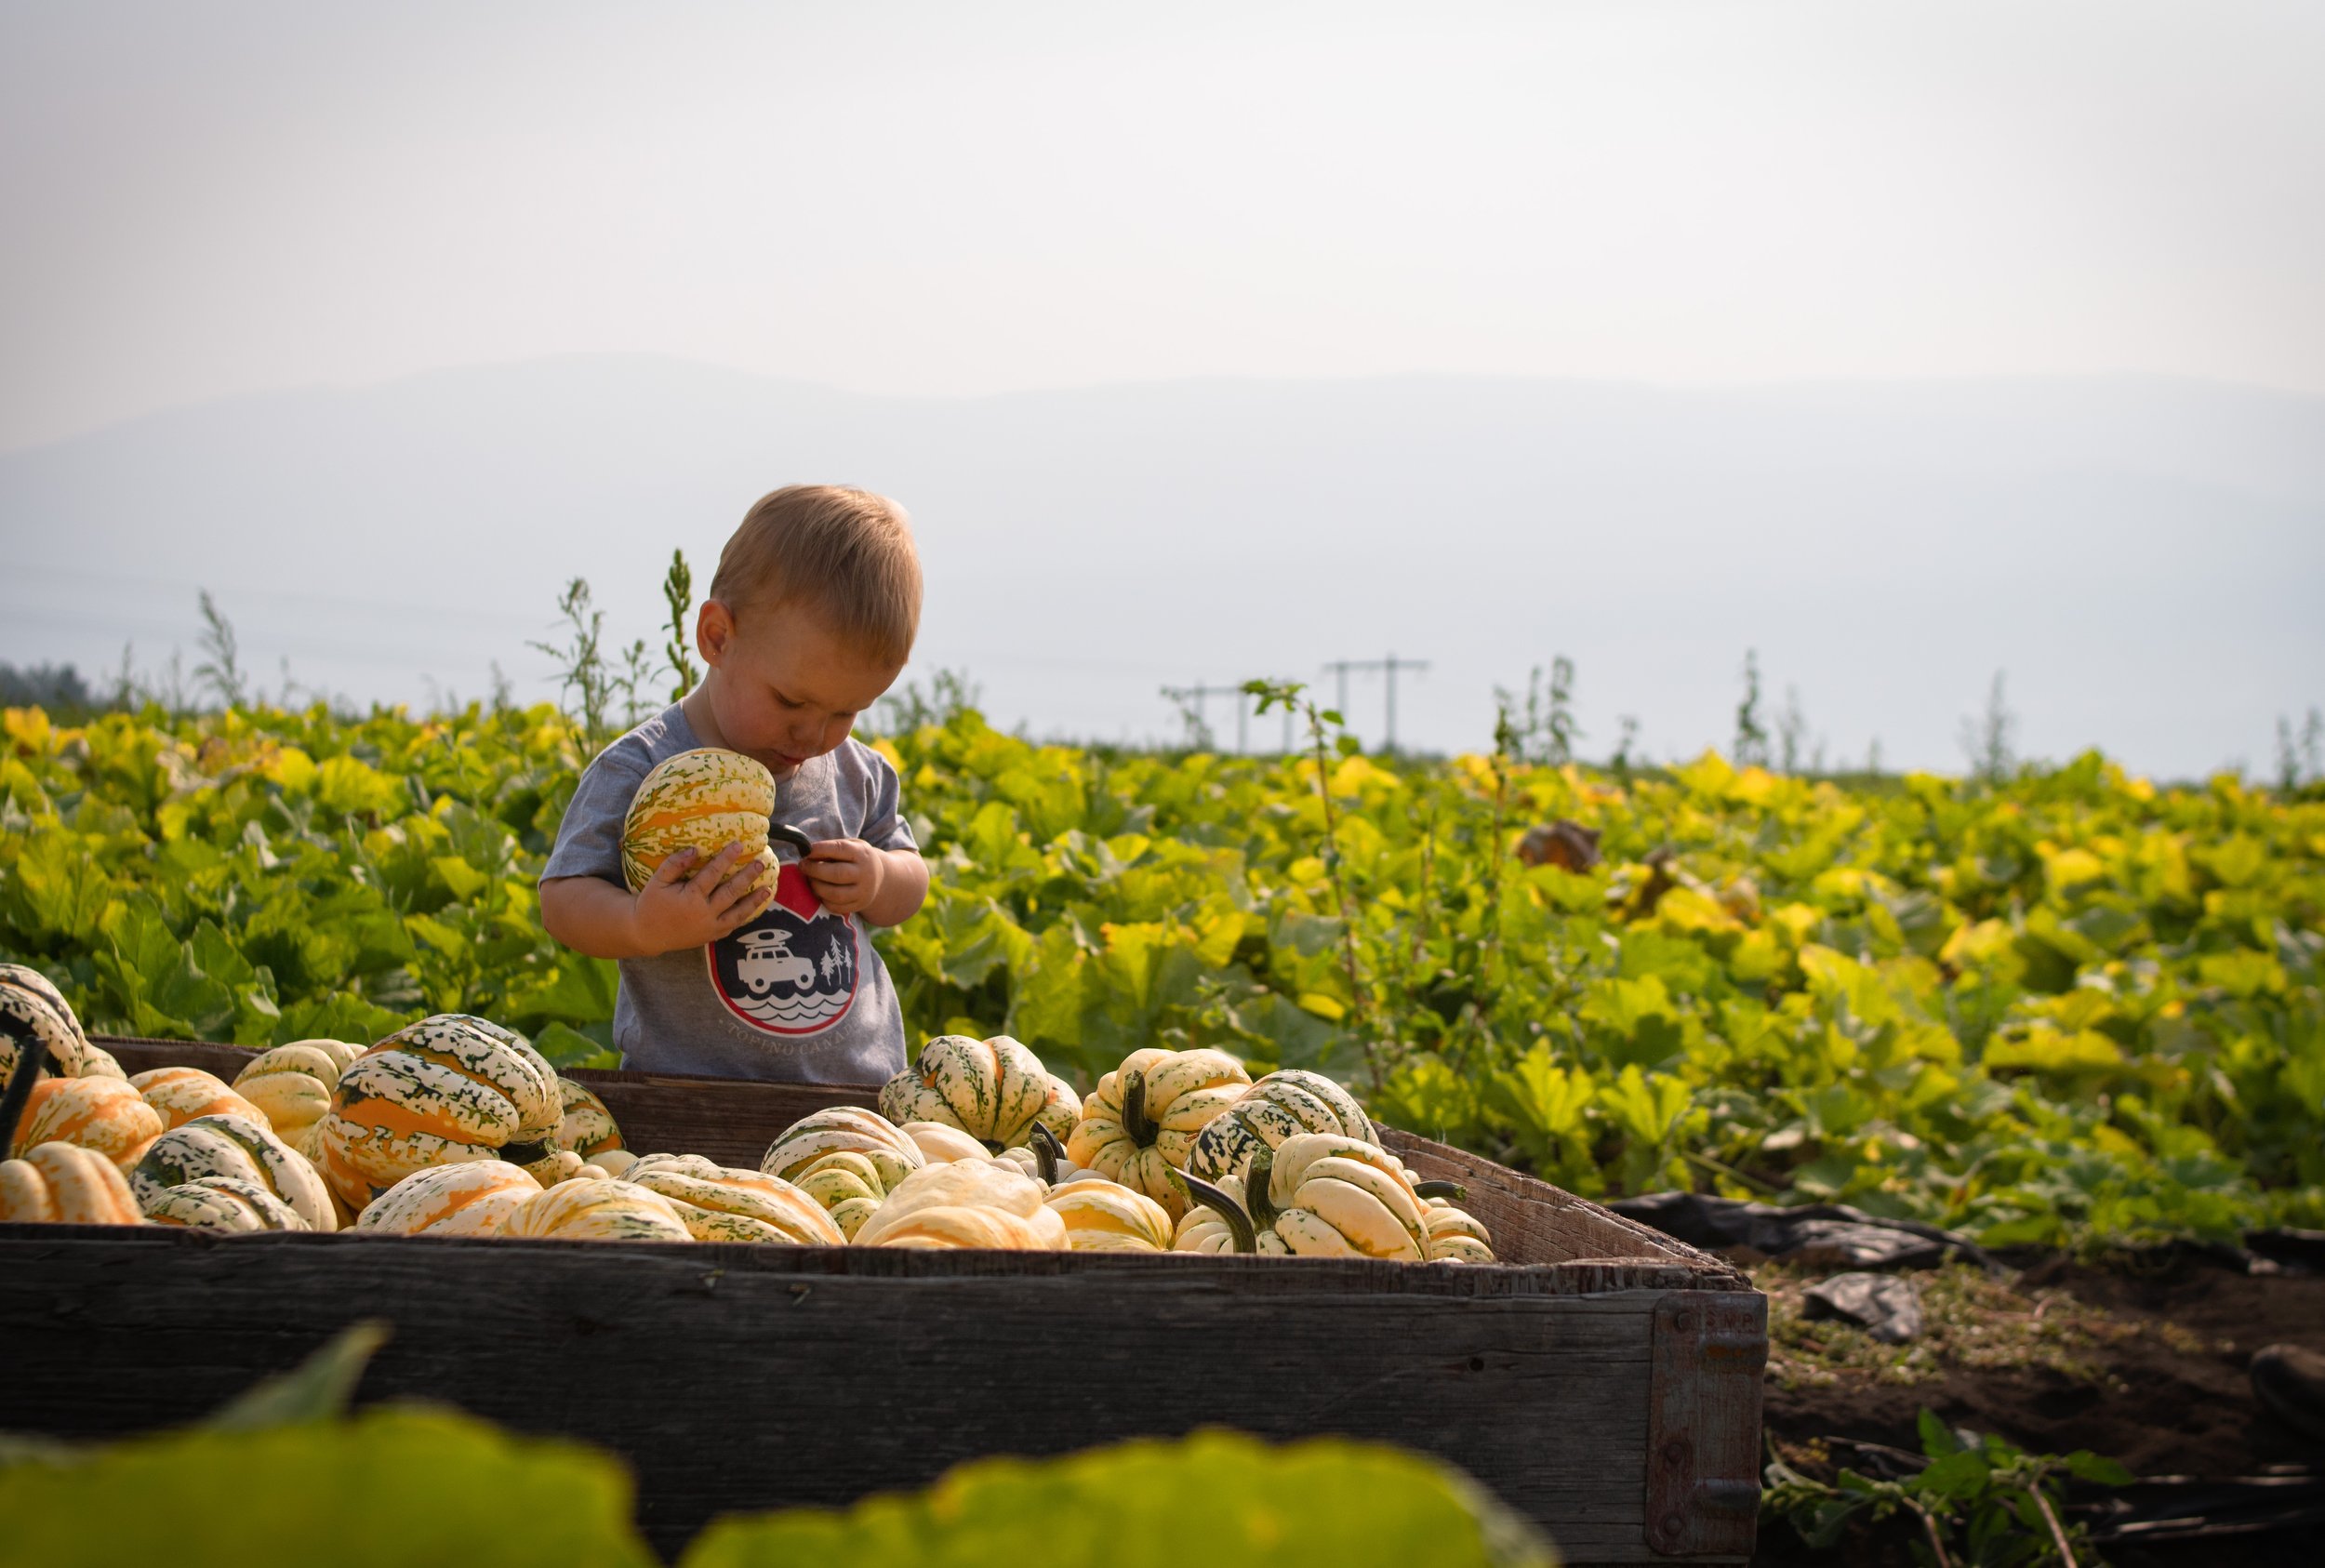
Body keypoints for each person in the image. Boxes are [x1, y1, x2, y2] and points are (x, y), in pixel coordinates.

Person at [539, 485, 930, 1083]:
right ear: (718, 637)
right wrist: (641, 925)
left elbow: (911, 880)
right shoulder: (643, 767)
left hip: (857, 1096)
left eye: (846, 711)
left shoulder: (858, 773)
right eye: (791, 701)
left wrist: (879, 877)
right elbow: (563, 898)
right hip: (690, 1098)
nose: (813, 733)